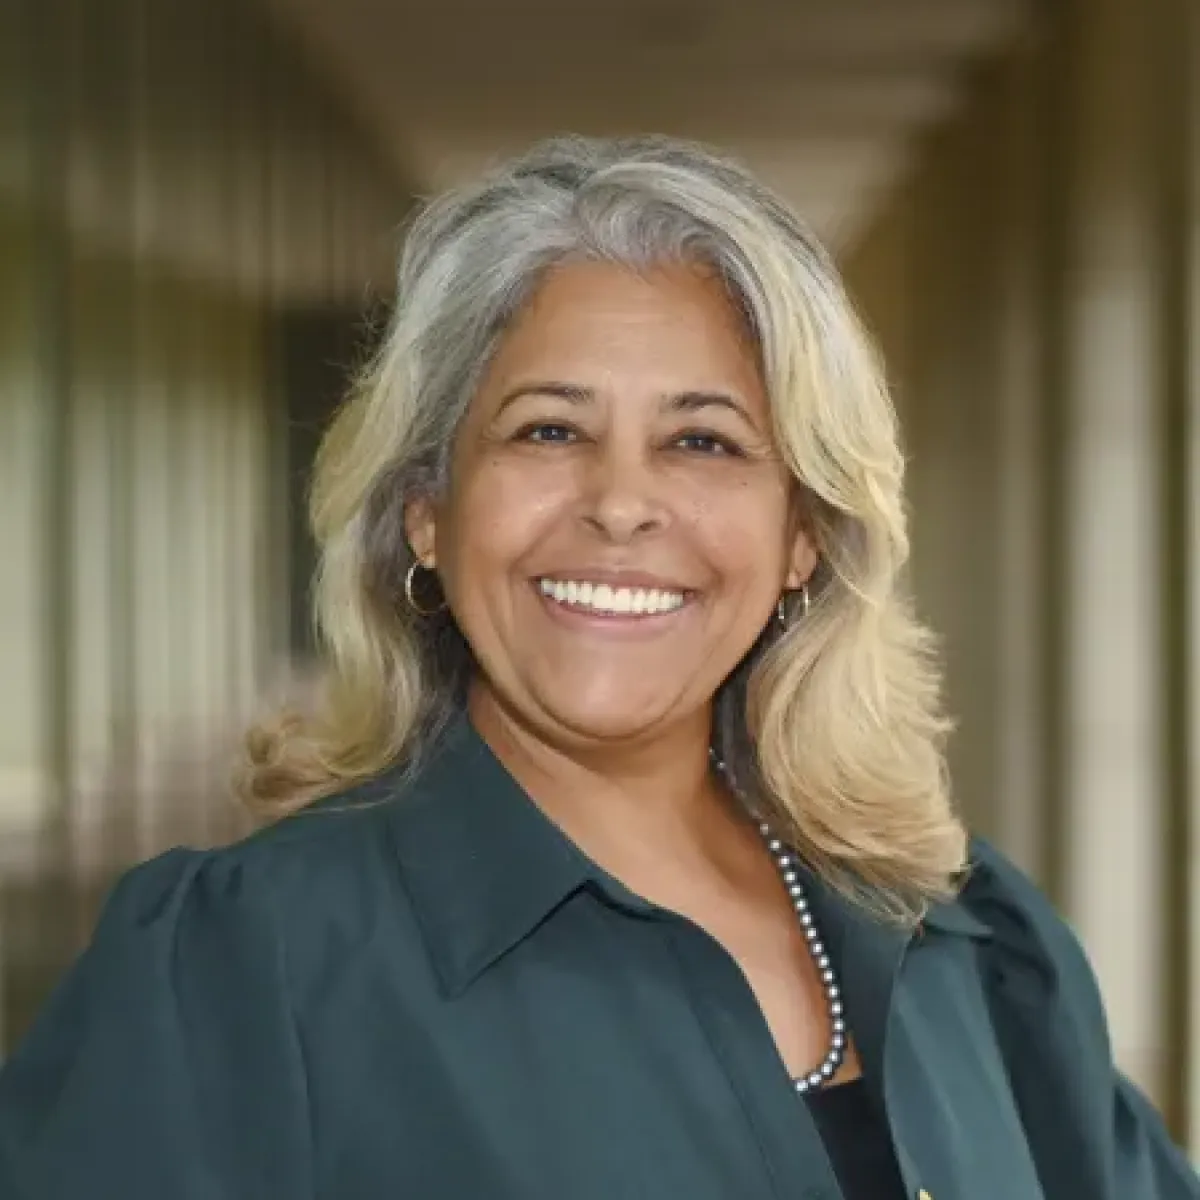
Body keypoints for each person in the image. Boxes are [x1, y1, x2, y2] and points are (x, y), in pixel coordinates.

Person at [0, 135, 1195, 1200]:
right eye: (550, 430)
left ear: (801, 539)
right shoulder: (240, 968)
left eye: (703, 440)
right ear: (427, 511)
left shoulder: (972, 938)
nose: (622, 504)